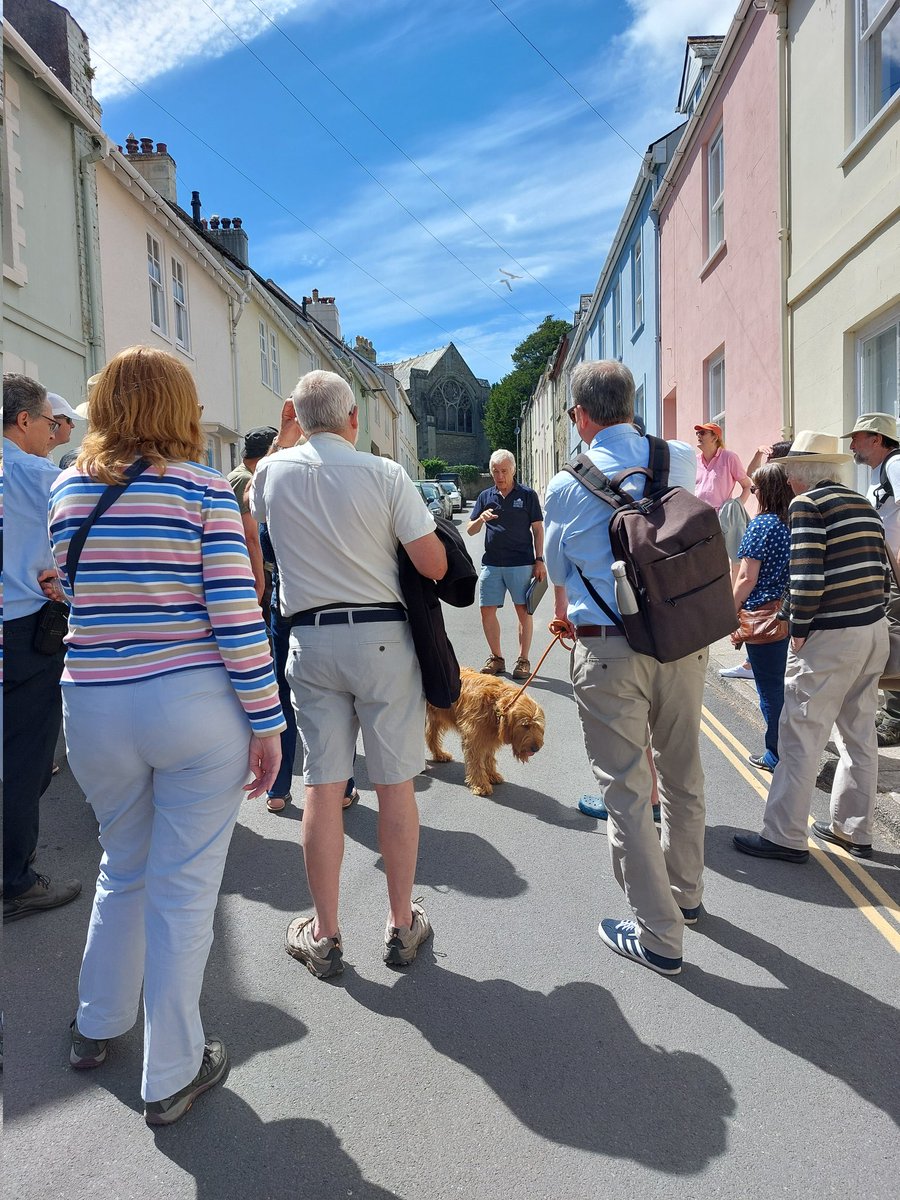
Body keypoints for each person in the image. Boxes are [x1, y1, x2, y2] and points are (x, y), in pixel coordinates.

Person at [48, 345, 284, 1125]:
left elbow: (74, 594)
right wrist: (267, 721)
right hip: (191, 705)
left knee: (125, 864)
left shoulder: (67, 494)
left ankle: (96, 1022)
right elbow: (235, 615)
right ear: (180, 409)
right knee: (184, 890)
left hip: (94, 705)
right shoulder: (205, 491)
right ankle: (173, 1068)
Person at [250, 370, 447, 978]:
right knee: (394, 785)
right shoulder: (385, 475)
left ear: (295, 417)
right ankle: (400, 923)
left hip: (309, 639)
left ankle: (326, 932)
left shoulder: (268, 475)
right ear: (354, 420)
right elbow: (434, 565)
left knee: (323, 785)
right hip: (383, 639)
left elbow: (258, 573)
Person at [545, 360, 706, 977]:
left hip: (608, 648)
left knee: (629, 792)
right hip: (681, 641)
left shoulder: (566, 485)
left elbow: (559, 571)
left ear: (581, 416)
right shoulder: (681, 460)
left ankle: (659, 934)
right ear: (632, 404)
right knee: (684, 772)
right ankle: (686, 896)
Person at [733, 432, 889, 864]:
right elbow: (884, 569)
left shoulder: (808, 505)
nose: (787, 481)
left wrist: (796, 628)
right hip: (871, 628)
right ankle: (853, 830)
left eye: (788, 473)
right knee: (859, 735)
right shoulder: (860, 502)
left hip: (831, 635)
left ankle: (784, 835)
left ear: (800, 473)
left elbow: (805, 576)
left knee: (800, 733)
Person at [2, 375, 81, 922]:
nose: (52, 433)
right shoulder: (36, 474)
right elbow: (79, 537)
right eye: (49, 423)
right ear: (25, 420)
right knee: (24, 759)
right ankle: (15, 880)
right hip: (22, 630)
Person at [842, 412, 900, 748]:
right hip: (884, 572)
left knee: (894, 642)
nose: (851, 445)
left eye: (856, 438)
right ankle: (892, 712)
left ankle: (895, 719)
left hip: (893, 573)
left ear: (876, 439)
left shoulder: (895, 464)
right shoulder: (883, 471)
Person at [730, 462, 793, 771]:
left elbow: (746, 578)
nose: (752, 493)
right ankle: (790, 747)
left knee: (769, 689)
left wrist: (728, 610)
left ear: (766, 491)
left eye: (754, 489)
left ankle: (775, 754)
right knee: (784, 685)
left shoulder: (762, 524)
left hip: (761, 617)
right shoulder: (794, 521)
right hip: (788, 612)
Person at [467, 449, 546, 680]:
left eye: (504, 471)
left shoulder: (527, 495)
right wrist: (480, 519)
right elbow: (470, 530)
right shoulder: (485, 497)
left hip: (521, 562)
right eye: (495, 471)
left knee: (523, 611)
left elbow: (538, 529)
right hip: (492, 564)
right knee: (486, 610)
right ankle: (497, 658)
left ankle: (523, 660)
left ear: (513, 470)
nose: (499, 476)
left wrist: (539, 560)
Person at [228, 426, 276, 606]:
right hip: (254, 569)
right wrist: (260, 585)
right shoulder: (245, 479)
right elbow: (251, 537)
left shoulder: (239, 474)